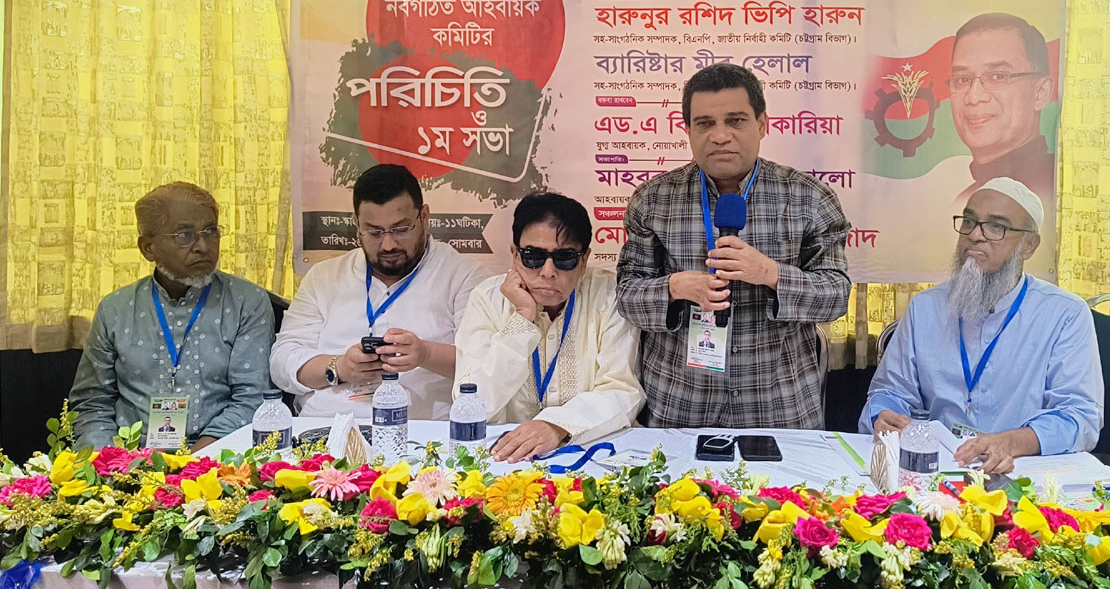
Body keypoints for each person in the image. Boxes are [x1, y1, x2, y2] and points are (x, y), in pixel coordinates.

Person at [617, 63, 852, 429]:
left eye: (736, 121)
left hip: (779, 406)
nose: (720, 136)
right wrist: (675, 287)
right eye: (705, 123)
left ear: (762, 124)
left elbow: (836, 297)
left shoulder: (809, 198)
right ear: (688, 130)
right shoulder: (653, 200)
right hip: (682, 406)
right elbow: (627, 297)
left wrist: (771, 274)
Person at [859, 177, 1103, 472]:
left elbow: (1079, 417)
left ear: (1028, 245)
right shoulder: (925, 308)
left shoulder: (1064, 314)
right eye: (969, 222)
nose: (975, 235)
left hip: (1025, 470)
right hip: (938, 468)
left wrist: (1010, 442)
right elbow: (890, 392)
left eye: (996, 227)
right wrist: (884, 416)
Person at [270, 164, 487, 419]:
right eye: (374, 232)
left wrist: (425, 354)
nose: (388, 245)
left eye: (400, 230)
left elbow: (486, 364)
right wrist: (340, 367)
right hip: (327, 425)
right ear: (356, 224)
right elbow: (282, 361)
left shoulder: (464, 275)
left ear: (424, 217)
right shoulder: (323, 277)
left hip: (422, 430)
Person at [69, 182, 274, 450]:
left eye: (211, 231)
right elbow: (92, 403)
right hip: (130, 457)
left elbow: (252, 399)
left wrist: (192, 462)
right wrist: (111, 463)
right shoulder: (115, 309)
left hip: (218, 456)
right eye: (185, 235)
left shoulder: (247, 302)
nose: (203, 246)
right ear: (148, 248)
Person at [454, 193, 642, 461]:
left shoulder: (610, 295)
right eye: (534, 256)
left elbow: (622, 390)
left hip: (593, 452)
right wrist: (522, 319)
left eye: (565, 258)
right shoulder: (487, 298)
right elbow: (472, 403)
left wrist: (556, 426)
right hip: (505, 457)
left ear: (584, 260)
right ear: (514, 255)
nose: (548, 271)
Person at [948, 13, 1056, 201]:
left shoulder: (1059, 187)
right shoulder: (964, 200)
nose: (973, 97)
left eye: (997, 77)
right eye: (962, 80)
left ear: (1040, 93)